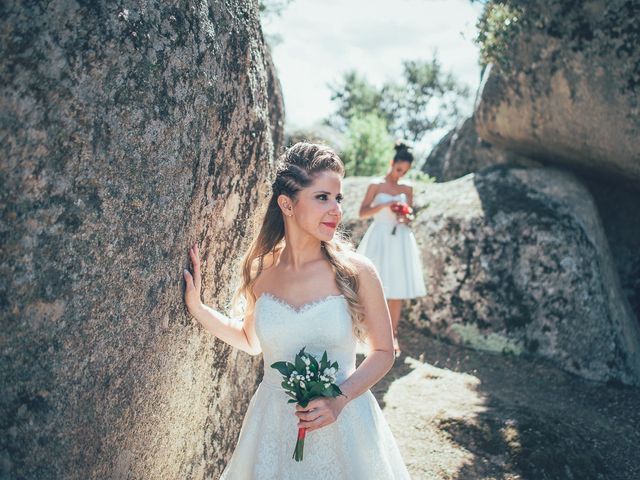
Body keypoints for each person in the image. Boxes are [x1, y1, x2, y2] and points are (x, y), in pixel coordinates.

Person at [183, 143, 410, 479]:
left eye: (338, 198)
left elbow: (383, 351)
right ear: (287, 204)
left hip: (346, 425)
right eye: (322, 197)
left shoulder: (357, 271)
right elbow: (249, 340)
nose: (335, 210)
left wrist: (339, 399)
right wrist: (198, 308)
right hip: (273, 426)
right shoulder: (260, 270)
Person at [356, 142, 427, 356]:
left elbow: (410, 215)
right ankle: (370, 335)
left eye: (404, 172)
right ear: (391, 163)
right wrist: (385, 206)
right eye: (398, 169)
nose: (400, 175)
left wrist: (405, 216)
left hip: (400, 239)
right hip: (379, 237)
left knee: (397, 289)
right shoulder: (375, 185)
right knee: (374, 286)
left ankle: (392, 335)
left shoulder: (407, 189)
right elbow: (362, 212)